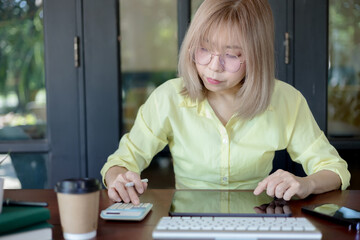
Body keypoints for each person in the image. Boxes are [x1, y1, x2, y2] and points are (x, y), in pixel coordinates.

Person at [101, 0, 351, 205]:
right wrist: (118, 178)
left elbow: (335, 169)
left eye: (231, 55)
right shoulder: (168, 98)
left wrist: (306, 183)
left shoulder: (286, 100)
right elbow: (121, 161)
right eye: (204, 49)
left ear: (256, 56)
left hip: (257, 221)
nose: (213, 66)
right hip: (188, 222)